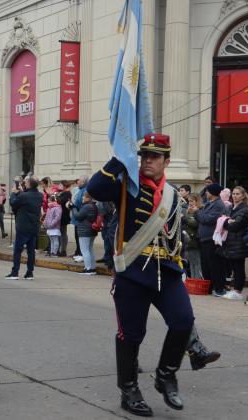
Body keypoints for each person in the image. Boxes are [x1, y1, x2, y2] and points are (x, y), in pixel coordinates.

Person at [89, 133, 194, 417]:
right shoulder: (127, 186)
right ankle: (129, 389)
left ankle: (166, 375)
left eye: (155, 156)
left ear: (166, 161)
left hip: (167, 272)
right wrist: (120, 158)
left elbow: (173, 235)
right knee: (131, 335)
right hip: (133, 272)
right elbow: (95, 188)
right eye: (144, 154)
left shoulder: (172, 194)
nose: (148, 160)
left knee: (183, 322)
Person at [5, 175, 43, 280]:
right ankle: (29, 273)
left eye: (26, 182)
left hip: (23, 227)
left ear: (29, 184)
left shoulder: (24, 196)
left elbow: (13, 203)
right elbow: (26, 201)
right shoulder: (40, 195)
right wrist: (21, 193)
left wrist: (13, 193)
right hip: (34, 227)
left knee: (18, 250)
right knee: (31, 251)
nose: (24, 183)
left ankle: (15, 272)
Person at [195, 183, 227, 297]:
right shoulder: (210, 204)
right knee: (206, 265)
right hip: (205, 239)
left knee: (214, 265)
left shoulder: (218, 205)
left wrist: (196, 212)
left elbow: (207, 219)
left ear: (212, 193)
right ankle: (208, 288)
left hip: (211, 239)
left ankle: (218, 288)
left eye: (208, 191)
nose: (206, 193)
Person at [221, 187, 248, 300]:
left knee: (239, 267)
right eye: (233, 194)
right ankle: (233, 288)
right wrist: (226, 221)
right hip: (230, 241)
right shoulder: (230, 207)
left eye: (238, 194)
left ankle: (238, 290)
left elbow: (235, 225)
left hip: (239, 241)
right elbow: (223, 219)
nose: (235, 196)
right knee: (233, 267)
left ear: (243, 196)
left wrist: (226, 222)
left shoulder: (245, 209)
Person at [73, 192, 98, 275]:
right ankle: (92, 268)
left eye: (84, 196)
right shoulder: (94, 205)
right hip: (91, 230)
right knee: (90, 249)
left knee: (85, 250)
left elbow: (78, 216)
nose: (83, 198)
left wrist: (73, 208)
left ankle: (88, 269)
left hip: (84, 231)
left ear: (88, 198)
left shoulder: (86, 206)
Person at [69, 175, 88, 262]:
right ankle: (78, 252)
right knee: (77, 236)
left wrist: (72, 206)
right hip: (77, 215)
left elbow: (79, 203)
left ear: (83, 182)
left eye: (79, 181)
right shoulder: (80, 190)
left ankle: (81, 254)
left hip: (80, 216)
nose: (78, 183)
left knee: (80, 236)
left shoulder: (85, 190)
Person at [183, 194, 202, 279]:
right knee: (191, 263)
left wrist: (185, 218)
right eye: (189, 201)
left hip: (195, 241)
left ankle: (197, 280)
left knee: (197, 263)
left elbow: (195, 223)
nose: (190, 203)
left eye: (192, 201)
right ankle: (193, 281)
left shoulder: (200, 210)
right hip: (188, 241)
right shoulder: (188, 211)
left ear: (197, 201)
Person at [56, 181, 73, 256]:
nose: (58, 186)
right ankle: (60, 249)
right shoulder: (61, 193)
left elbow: (60, 201)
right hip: (60, 215)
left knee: (63, 233)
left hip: (63, 215)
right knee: (61, 232)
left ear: (64, 186)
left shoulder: (67, 193)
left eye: (60, 185)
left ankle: (63, 250)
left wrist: (56, 196)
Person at [43, 194, 62, 258]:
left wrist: (51, 224)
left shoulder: (58, 208)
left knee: (55, 239)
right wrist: (45, 224)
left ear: (54, 201)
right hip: (49, 227)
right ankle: (51, 252)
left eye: (50, 202)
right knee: (51, 240)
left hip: (54, 227)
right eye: (48, 202)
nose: (48, 203)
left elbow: (57, 218)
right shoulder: (49, 208)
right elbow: (47, 217)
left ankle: (55, 252)